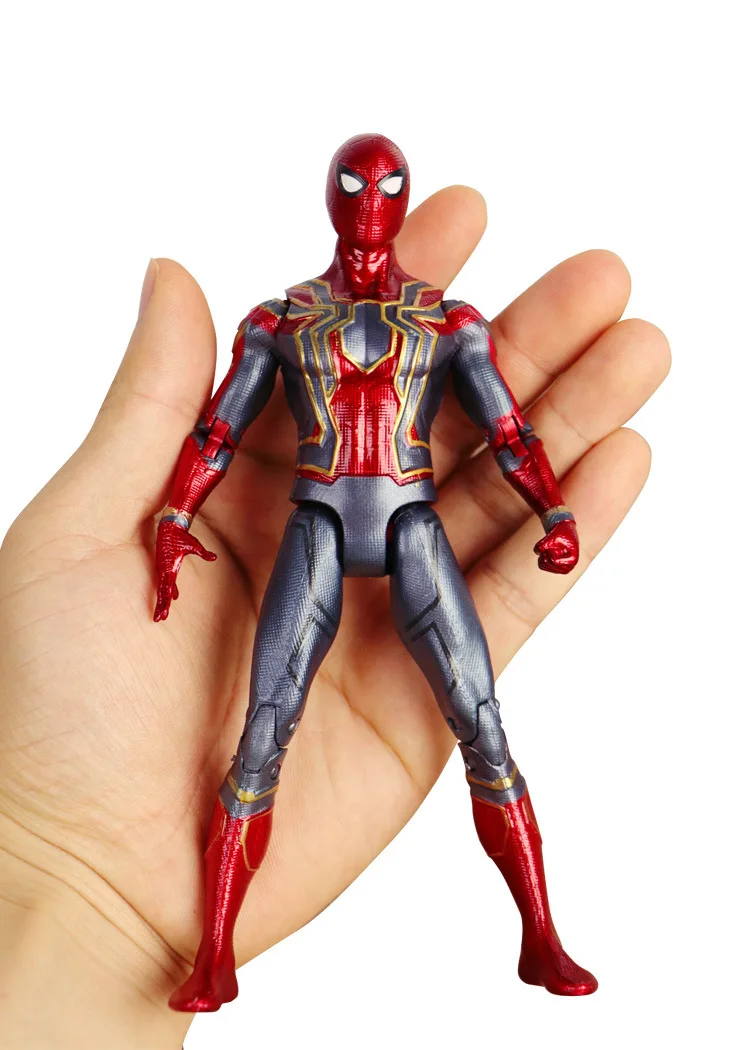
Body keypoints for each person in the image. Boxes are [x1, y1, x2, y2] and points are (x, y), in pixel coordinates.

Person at [0, 177, 670, 1045]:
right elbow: (218, 431)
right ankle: (212, 952)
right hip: (314, 520)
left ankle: (540, 937)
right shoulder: (282, 319)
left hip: (414, 520)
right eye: (354, 183)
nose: (371, 200)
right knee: (261, 732)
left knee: (483, 725)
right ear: (329, 195)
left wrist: (555, 512)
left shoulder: (448, 321)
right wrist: (174, 518)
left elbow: (509, 431)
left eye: (387, 185)